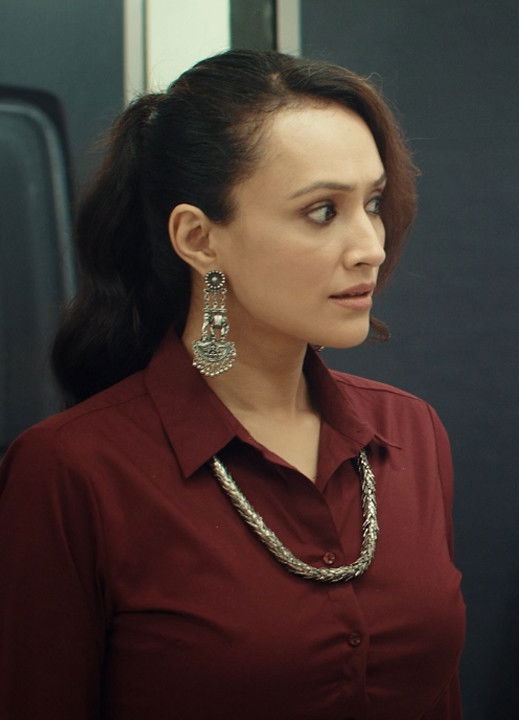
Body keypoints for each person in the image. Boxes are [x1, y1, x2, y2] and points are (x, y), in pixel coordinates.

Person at [0, 50, 464, 719]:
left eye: (372, 203)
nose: (371, 246)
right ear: (199, 239)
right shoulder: (73, 471)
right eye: (322, 211)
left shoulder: (409, 433)